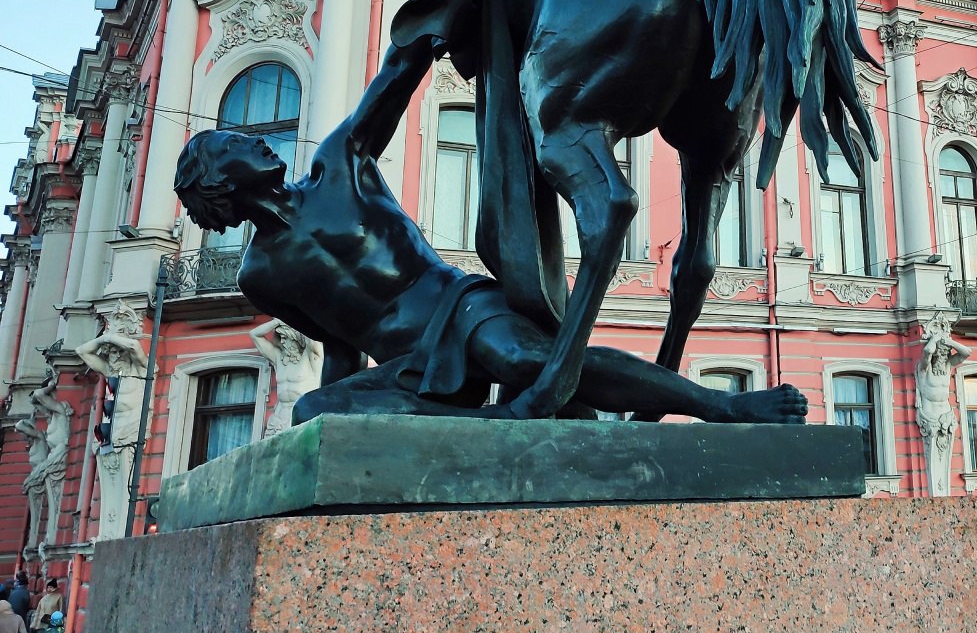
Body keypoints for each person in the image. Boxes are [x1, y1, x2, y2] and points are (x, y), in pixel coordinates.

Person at [173, 40, 808, 428]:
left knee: (525, 362)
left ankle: (723, 407)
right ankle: (493, 423)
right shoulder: (261, 275)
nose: (253, 137)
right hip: (406, 368)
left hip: (459, 308)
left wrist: (445, 5)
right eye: (234, 142)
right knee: (316, 412)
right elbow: (339, 349)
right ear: (220, 185)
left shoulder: (338, 167)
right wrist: (334, 422)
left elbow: (396, 76)